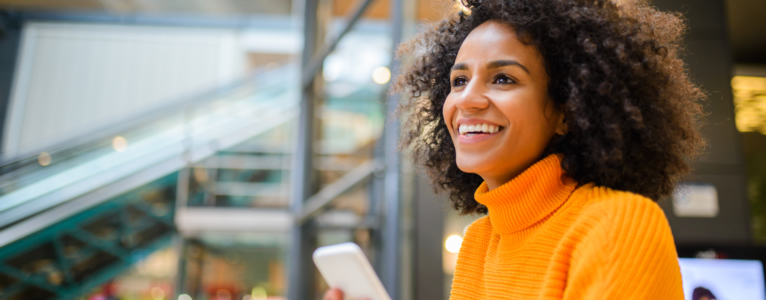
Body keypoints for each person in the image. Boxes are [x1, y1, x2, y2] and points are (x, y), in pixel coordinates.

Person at [326, 0, 704, 298]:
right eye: (458, 80)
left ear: (568, 111)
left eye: (503, 78)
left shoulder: (617, 225)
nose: (467, 99)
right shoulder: (480, 241)